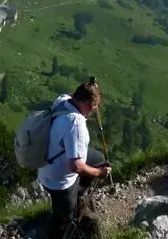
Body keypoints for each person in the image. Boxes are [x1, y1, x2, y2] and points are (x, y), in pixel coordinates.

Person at [38, 80, 112, 239]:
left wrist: (92, 89)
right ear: (85, 103)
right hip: (59, 181)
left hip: (47, 163)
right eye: (94, 105)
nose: (95, 109)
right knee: (64, 221)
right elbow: (76, 167)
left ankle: (79, 195)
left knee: (97, 158)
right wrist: (99, 173)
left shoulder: (63, 100)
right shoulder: (75, 124)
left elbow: (77, 94)